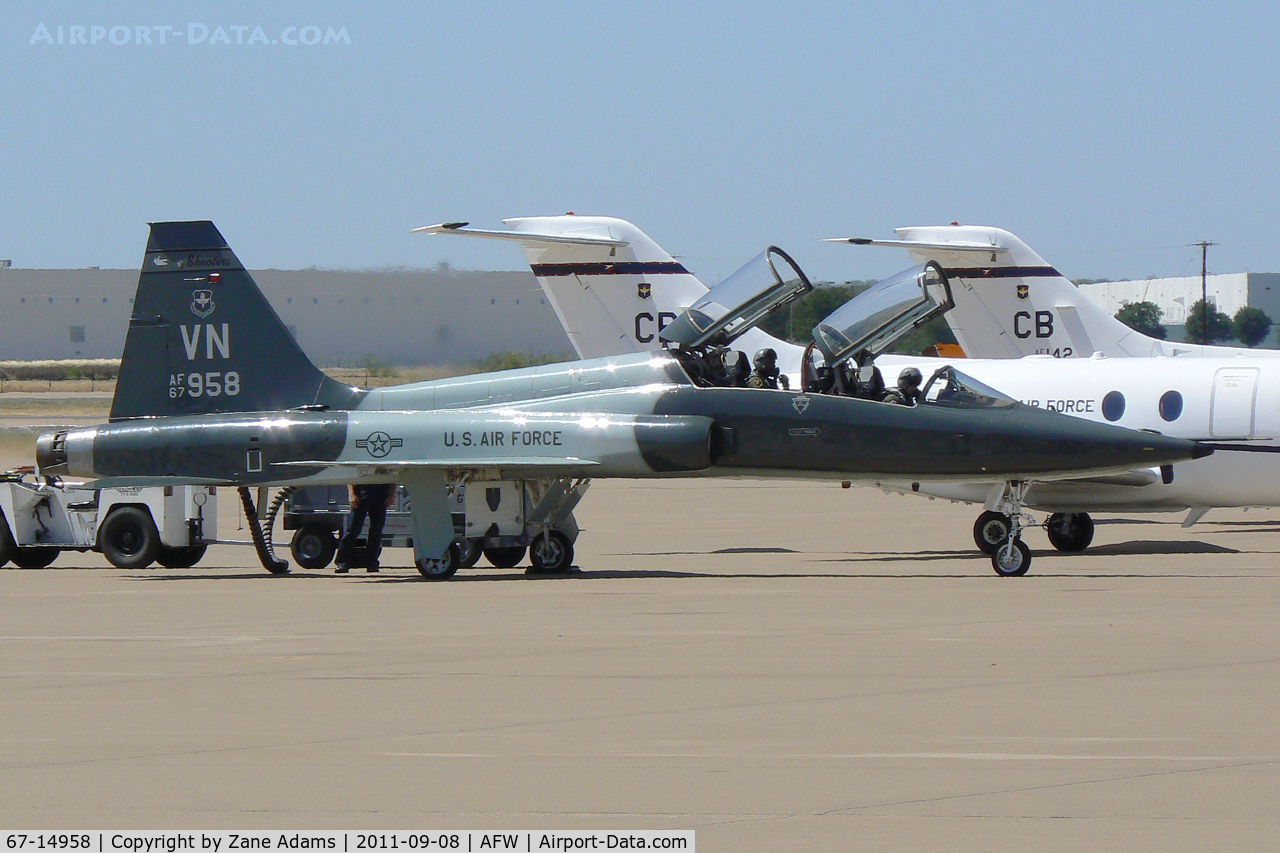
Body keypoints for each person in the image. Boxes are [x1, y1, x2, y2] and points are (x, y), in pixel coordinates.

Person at [335, 482, 396, 573]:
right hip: (362, 491)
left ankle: (371, 563)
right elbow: (352, 474)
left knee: (376, 530)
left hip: (381, 492)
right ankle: (342, 562)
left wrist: (391, 495)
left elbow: (392, 477)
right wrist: (351, 493)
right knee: (353, 529)